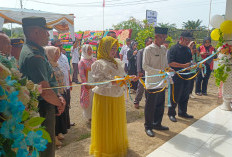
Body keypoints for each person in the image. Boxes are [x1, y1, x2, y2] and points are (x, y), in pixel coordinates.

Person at [19, 17, 65, 157]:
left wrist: (58, 96)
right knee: (45, 148)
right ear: (35, 32)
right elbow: (44, 91)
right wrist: (60, 103)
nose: (48, 35)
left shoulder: (36, 50)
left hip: (44, 105)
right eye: (45, 31)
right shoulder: (34, 56)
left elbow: (49, 81)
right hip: (43, 108)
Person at [90, 36, 138, 156]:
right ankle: (105, 149)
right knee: (106, 124)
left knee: (116, 123)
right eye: (112, 48)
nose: (114, 51)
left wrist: (130, 78)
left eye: (116, 48)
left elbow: (123, 76)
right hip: (105, 97)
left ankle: (116, 145)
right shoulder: (98, 64)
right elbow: (98, 82)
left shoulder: (118, 62)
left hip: (117, 96)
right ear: (105, 48)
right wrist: (115, 82)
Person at [143, 27, 170, 137]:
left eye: (165, 37)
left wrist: (168, 69)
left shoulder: (164, 49)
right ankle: (148, 126)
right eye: (162, 37)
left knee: (160, 104)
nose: (164, 39)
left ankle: (157, 123)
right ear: (156, 37)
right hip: (152, 83)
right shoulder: (148, 49)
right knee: (150, 105)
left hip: (162, 81)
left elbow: (166, 64)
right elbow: (145, 66)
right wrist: (159, 71)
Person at [167, 31, 194, 123]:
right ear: (181, 39)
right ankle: (171, 113)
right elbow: (170, 63)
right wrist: (183, 66)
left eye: (190, 40)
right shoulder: (173, 49)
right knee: (175, 95)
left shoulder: (187, 49)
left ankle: (182, 112)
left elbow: (190, 61)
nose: (188, 42)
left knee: (185, 95)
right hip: (176, 76)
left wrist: (192, 65)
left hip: (187, 75)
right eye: (187, 40)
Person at [44, 46, 68, 147]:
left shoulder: (56, 64)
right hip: (54, 94)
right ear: (49, 54)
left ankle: (58, 133)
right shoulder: (48, 66)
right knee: (54, 115)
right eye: (55, 54)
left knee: (59, 115)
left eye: (58, 53)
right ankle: (54, 138)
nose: (57, 56)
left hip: (60, 92)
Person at [78, 44, 96, 121]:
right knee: (88, 100)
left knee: (95, 99)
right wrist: (86, 84)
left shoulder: (94, 60)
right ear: (84, 51)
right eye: (88, 50)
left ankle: (95, 114)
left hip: (95, 83)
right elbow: (82, 74)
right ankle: (89, 116)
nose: (89, 51)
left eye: (90, 49)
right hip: (88, 85)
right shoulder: (82, 62)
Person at [134, 37, 153, 109]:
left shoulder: (152, 52)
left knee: (148, 88)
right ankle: (136, 101)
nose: (151, 44)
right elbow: (138, 62)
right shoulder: (141, 51)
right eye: (150, 42)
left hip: (150, 73)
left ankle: (147, 102)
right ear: (146, 43)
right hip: (142, 73)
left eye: (152, 42)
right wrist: (139, 71)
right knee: (140, 88)